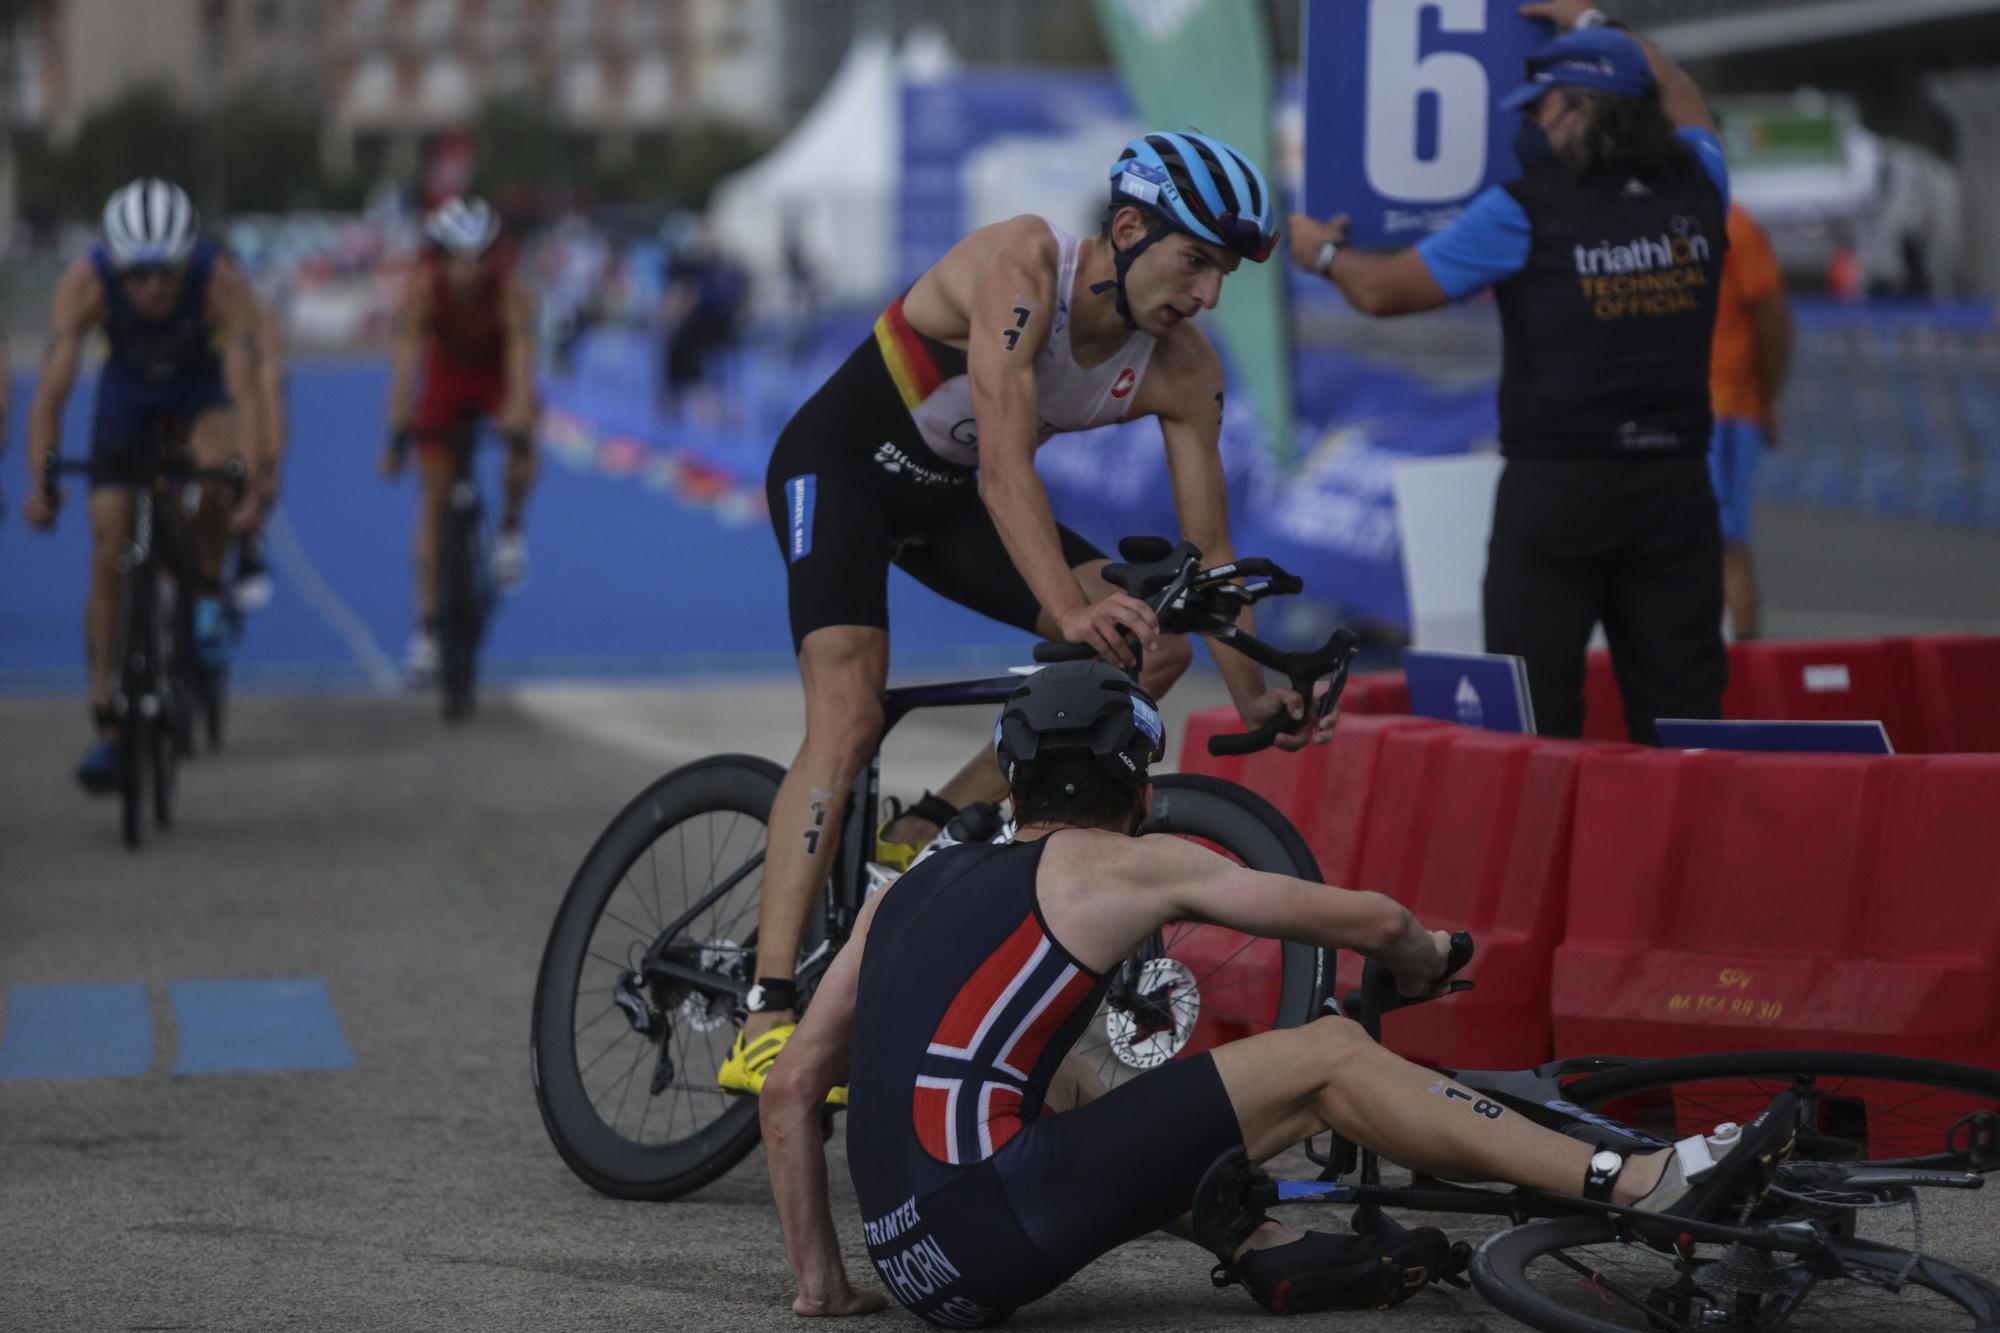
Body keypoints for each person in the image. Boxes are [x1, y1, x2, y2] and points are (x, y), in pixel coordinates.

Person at [760, 662, 1796, 1324]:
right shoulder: (1123, 862)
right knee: (1328, 1060)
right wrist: (1424, 955)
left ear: (1014, 781)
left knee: (1071, 1076)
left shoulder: (899, 893)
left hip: (912, 1263)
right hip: (993, 1231)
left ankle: (1258, 1246)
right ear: (1139, 789)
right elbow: (1367, 921)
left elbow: (791, 1086)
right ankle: (1641, 1179)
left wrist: (825, 1287)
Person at [724, 132, 1337, 1099]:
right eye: (1196, 262)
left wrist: (1256, 691)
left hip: (954, 501)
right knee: (846, 713)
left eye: (1222, 275)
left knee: (1161, 640)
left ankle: (932, 824)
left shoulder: (1182, 368)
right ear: (1128, 229)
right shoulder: (1023, 265)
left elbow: (1211, 558)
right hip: (844, 472)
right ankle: (764, 1012)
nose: (1207, 294)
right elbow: (1010, 466)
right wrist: (1065, 608)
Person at [1290, 1, 1730, 744]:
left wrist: (1322, 254)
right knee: (1685, 720)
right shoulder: (1701, 183)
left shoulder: (1524, 210)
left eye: (1549, 108)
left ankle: (1542, 858)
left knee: (1531, 715)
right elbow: (1679, 86)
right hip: (1677, 487)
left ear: (1584, 112)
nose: (1538, 125)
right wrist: (1594, 20)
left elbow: (1382, 291)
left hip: (1559, 492)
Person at [21, 178, 269, 791]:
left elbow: (246, 390)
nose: (154, 286)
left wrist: (252, 477)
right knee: (108, 547)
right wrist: (43, 481)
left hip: (198, 390)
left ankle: (208, 590)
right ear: (115, 264)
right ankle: (106, 722)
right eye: (139, 273)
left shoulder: (220, 284)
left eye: (167, 271)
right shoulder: (83, 284)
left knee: (215, 477)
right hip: (126, 398)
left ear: (188, 257)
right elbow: (51, 396)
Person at [380, 195, 540, 684]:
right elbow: (407, 362)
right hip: (448, 381)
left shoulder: (512, 292)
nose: (468, 270)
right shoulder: (424, 290)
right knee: (431, 504)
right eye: (457, 258)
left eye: (478, 258)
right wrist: (397, 431)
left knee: (525, 436)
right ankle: (426, 629)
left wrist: (516, 419)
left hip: (493, 376)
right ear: (441, 256)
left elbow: (520, 359)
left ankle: (510, 531)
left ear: (493, 257)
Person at [1708, 202, 1793, 640]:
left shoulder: (1733, 225)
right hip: (1702, 407)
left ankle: (1741, 672)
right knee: (1710, 548)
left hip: (1725, 408)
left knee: (1725, 549)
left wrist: (1765, 397)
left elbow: (1773, 318)